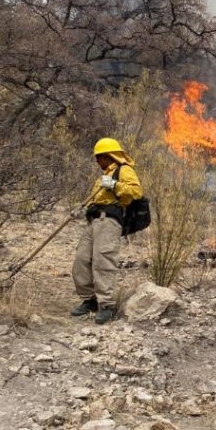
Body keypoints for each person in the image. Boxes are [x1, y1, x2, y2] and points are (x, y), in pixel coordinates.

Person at [71, 138, 143, 324]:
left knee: (103, 262)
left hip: (109, 222)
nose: (97, 162)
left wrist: (114, 185)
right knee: (82, 260)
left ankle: (107, 305)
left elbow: (136, 192)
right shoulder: (104, 176)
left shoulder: (124, 170)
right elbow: (98, 200)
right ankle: (90, 300)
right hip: (94, 222)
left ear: (108, 156)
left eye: (98, 157)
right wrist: (84, 211)